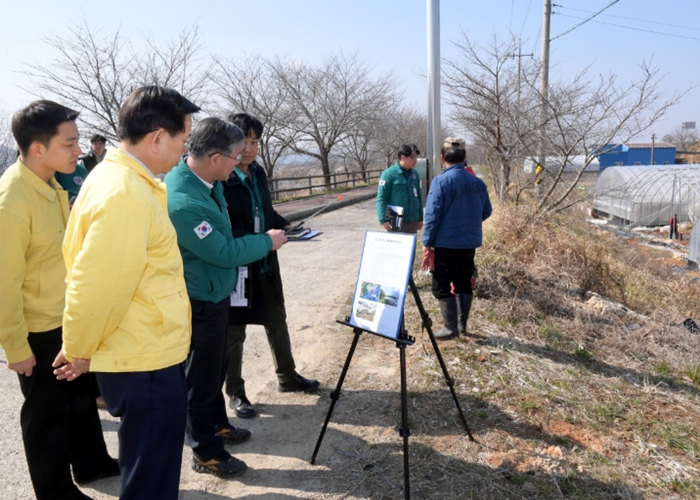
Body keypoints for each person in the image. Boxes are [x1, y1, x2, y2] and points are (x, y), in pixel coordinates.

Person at [55, 86, 200, 500]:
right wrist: (78, 347)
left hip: (142, 351)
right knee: (151, 480)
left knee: (149, 468)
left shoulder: (120, 179)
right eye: (183, 138)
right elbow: (97, 285)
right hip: (144, 359)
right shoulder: (126, 193)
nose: (185, 149)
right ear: (157, 138)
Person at [0, 100, 118, 500]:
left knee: (80, 398)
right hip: (38, 329)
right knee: (45, 414)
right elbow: (4, 283)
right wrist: (16, 347)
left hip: (66, 318)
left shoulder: (51, 185)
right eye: (69, 143)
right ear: (38, 148)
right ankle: (55, 493)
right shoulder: (12, 201)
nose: (78, 150)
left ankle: (92, 463)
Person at [164, 117, 287, 477]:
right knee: (200, 380)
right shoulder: (184, 201)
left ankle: (217, 424)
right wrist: (266, 242)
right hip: (200, 298)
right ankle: (205, 452)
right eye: (236, 155)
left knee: (215, 370)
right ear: (215, 158)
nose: (241, 160)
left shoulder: (207, 182)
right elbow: (222, 251)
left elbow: (225, 232)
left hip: (216, 293)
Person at [223, 112, 320, 420]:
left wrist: (288, 226)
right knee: (234, 333)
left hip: (265, 264)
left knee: (277, 319)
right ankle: (235, 392)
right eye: (244, 141)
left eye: (255, 142)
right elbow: (223, 229)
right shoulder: (222, 178)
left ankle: (287, 376)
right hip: (239, 268)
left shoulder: (258, 173)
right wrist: (261, 239)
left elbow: (266, 212)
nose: (249, 149)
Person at [421, 137, 492, 340]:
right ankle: (462, 326)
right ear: (465, 157)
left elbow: (432, 216)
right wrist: (469, 223)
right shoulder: (478, 183)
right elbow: (487, 211)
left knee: (441, 285)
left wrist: (427, 244)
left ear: (442, 158)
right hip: (468, 243)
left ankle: (450, 327)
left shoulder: (440, 182)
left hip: (445, 243)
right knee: (463, 282)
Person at [376, 144, 423, 234]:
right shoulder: (389, 174)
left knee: (412, 243)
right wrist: (383, 219)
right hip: (396, 221)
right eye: (412, 158)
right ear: (403, 157)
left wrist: (420, 218)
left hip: (413, 220)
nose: (415, 161)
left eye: (416, 158)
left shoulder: (414, 174)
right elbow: (381, 198)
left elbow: (418, 197)